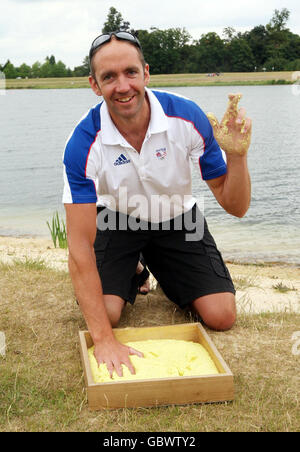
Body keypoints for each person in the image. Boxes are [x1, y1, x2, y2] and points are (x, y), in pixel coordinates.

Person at [62, 31, 252, 378]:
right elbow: (78, 247)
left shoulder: (188, 117)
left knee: (221, 317)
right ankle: (134, 268)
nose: (123, 86)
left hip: (178, 219)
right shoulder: (83, 143)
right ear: (94, 84)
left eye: (130, 72)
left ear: (146, 73)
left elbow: (235, 206)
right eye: (109, 77)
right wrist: (104, 339)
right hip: (118, 220)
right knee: (108, 314)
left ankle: (162, 267)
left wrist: (236, 157)